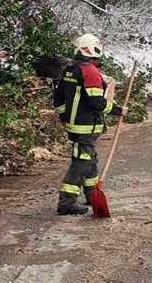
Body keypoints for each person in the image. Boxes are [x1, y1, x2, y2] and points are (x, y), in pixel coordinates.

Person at [53, 33, 124, 215]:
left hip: (75, 125)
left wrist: (64, 117)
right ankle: (66, 202)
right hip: (86, 126)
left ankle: (92, 194)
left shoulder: (70, 70)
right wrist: (118, 110)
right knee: (82, 162)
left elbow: (58, 98)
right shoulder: (90, 72)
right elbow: (96, 102)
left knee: (90, 159)